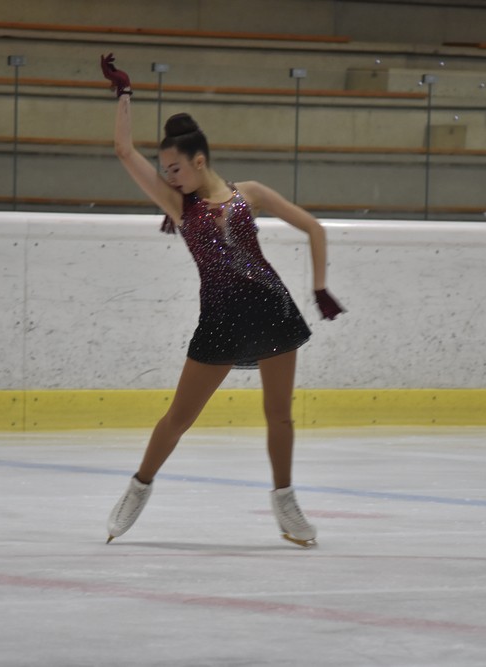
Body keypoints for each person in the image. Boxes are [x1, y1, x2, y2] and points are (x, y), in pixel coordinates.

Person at [100, 54, 344, 548]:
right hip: (219, 320)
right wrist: (124, 95)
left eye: (175, 168)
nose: (168, 177)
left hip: (273, 311)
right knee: (179, 418)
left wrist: (318, 287)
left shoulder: (247, 194)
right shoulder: (178, 205)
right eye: (164, 170)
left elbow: (313, 227)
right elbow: (124, 151)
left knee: (280, 414)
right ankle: (138, 488)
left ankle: (286, 505)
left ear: (200, 161)